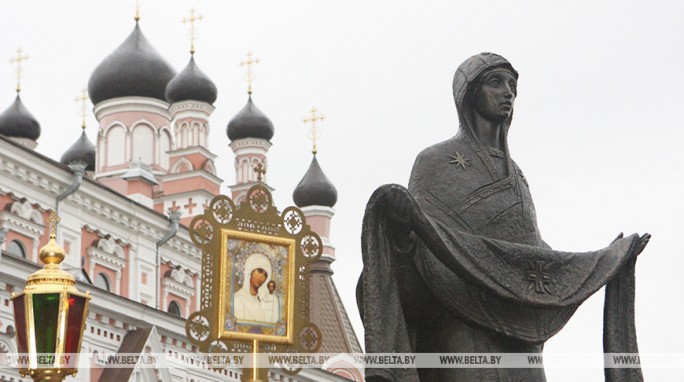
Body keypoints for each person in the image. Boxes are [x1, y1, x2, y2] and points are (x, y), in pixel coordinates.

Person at [357, 52, 650, 381]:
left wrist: (602, 262)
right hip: (461, 324)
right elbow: (423, 246)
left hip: (519, 334)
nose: (507, 92)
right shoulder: (434, 162)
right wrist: (400, 231)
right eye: (495, 83)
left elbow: (531, 254)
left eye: (512, 85)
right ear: (469, 94)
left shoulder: (518, 177)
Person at [233, 253, 274, 323]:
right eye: (260, 271)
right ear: (250, 270)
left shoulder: (264, 302)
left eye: (265, 275)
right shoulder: (237, 299)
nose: (262, 277)